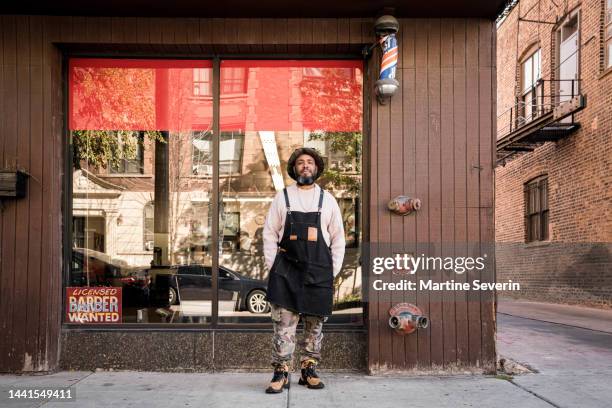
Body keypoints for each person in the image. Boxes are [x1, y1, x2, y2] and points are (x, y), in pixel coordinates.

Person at [262, 147, 345, 394]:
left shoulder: (328, 200)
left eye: (310, 162)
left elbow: (338, 238)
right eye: (300, 163)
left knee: (315, 325)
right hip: (286, 272)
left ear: (316, 168)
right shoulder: (282, 197)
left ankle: (309, 368)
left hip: (319, 271)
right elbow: (269, 234)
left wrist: (333, 271)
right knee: (283, 326)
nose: (305, 166)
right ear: (294, 169)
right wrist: (273, 267)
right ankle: (281, 371)